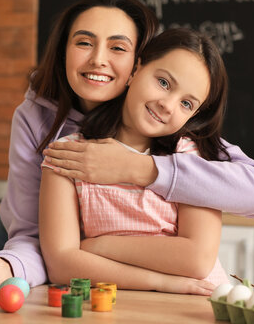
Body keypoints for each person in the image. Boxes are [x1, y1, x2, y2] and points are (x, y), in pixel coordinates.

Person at [0, 0, 254, 296]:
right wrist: (8, 266)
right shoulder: (45, 126)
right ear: (63, 50)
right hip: (28, 250)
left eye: (118, 47)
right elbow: (47, 249)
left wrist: (136, 170)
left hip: (120, 273)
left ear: (135, 63)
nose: (99, 59)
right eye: (84, 42)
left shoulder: (182, 144)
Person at [40, 28, 231, 293]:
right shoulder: (68, 155)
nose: (168, 105)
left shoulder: (188, 157)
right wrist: (163, 281)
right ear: (136, 69)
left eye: (186, 104)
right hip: (117, 306)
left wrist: (100, 246)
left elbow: (197, 260)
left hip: (190, 306)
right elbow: (61, 265)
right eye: (164, 83)